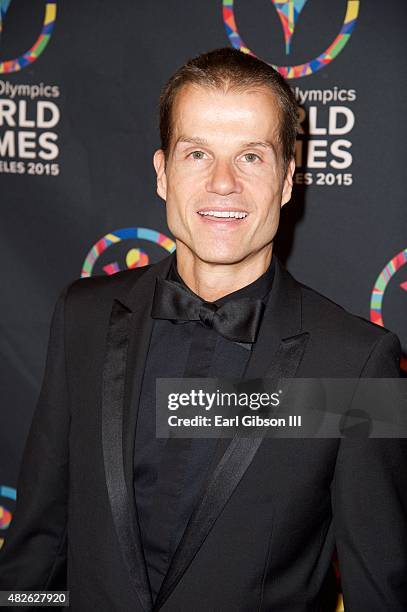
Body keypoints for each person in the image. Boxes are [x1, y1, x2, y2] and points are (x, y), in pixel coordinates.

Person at [0, 47, 406, 611]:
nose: (222, 183)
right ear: (164, 173)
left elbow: (379, 589)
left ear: (288, 179)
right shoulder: (83, 318)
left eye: (251, 157)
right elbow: (36, 548)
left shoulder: (356, 366)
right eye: (197, 154)